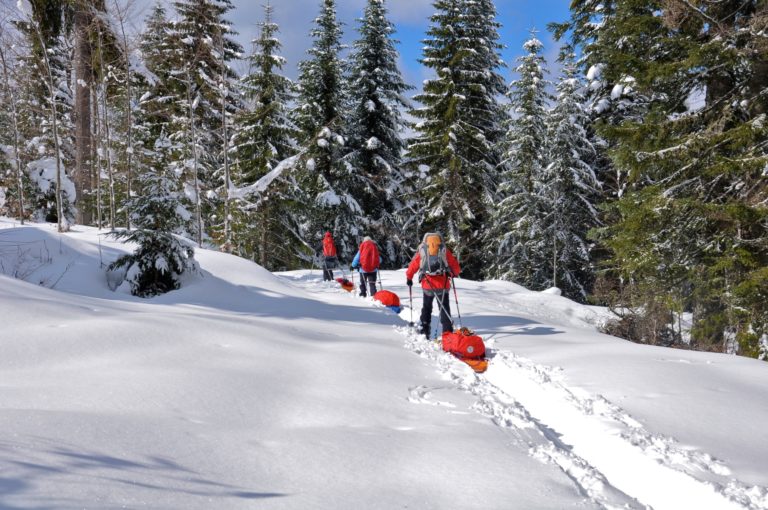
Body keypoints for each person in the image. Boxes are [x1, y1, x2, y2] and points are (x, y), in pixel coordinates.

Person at [405, 232, 461, 338]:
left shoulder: (423, 249)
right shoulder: (443, 249)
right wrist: (453, 273)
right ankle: (447, 333)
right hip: (443, 284)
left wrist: (409, 277)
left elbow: (414, 264)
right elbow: (456, 268)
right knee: (444, 307)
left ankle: (424, 329)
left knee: (427, 307)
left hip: (428, 284)